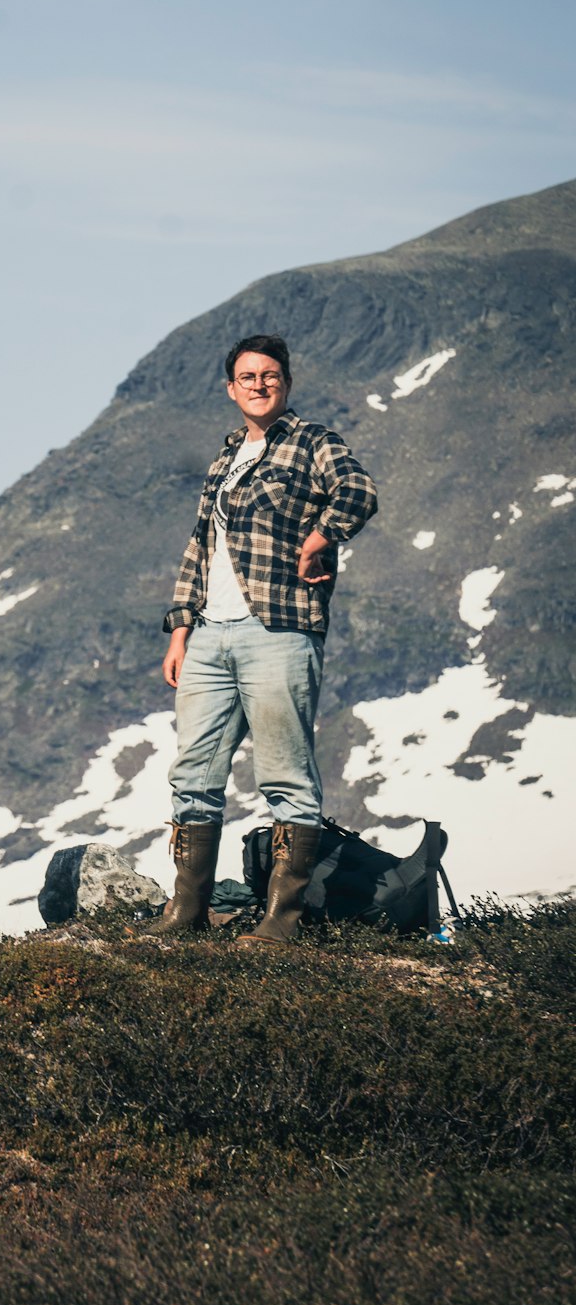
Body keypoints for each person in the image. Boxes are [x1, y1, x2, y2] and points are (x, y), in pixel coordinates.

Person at [150, 335, 377, 947]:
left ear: (286, 383)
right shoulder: (226, 458)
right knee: (193, 772)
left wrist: (321, 538)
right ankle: (187, 911)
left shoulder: (313, 442)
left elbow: (358, 491)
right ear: (231, 388)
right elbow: (200, 546)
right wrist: (180, 630)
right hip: (208, 636)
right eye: (247, 376)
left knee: (285, 774)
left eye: (270, 375)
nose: (258, 384)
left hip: (277, 629)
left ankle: (282, 920)